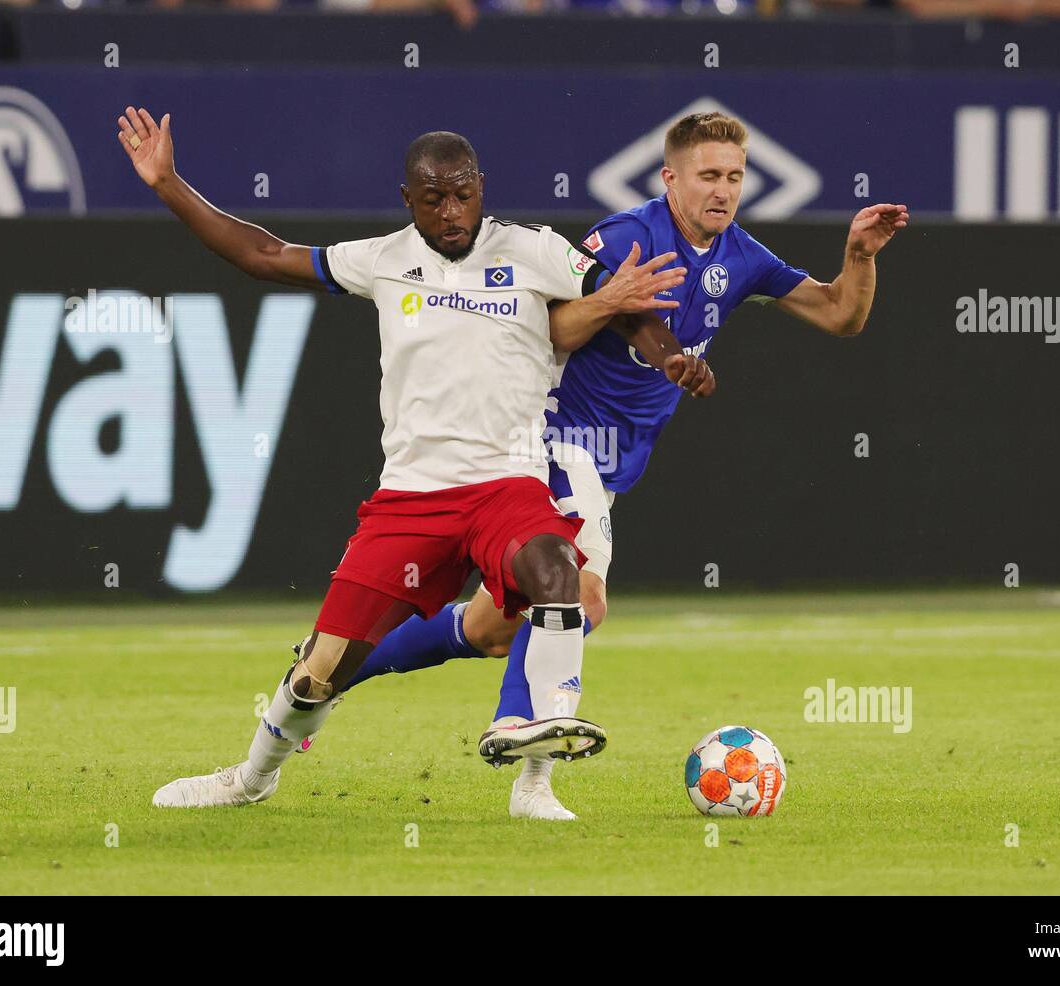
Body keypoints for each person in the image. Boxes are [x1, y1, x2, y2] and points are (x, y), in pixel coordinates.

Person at [114, 106, 689, 819]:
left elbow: (624, 301)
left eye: (463, 193)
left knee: (558, 570)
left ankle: (538, 765)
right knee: (319, 674)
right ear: (407, 200)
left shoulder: (534, 250)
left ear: (482, 186)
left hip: (507, 483)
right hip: (411, 498)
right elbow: (262, 254)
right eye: (433, 198)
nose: (451, 211)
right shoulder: (382, 260)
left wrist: (670, 355)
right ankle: (250, 778)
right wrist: (168, 183)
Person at [340, 109, 908, 752]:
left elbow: (841, 315)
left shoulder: (741, 255)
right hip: (557, 439)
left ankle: (331, 666)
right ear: (670, 177)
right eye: (707, 176)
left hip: (608, 465)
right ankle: (517, 731)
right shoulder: (625, 238)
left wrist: (858, 256)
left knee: (491, 629)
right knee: (583, 597)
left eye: (734, 177)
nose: (722, 190)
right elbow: (546, 328)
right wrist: (621, 309)